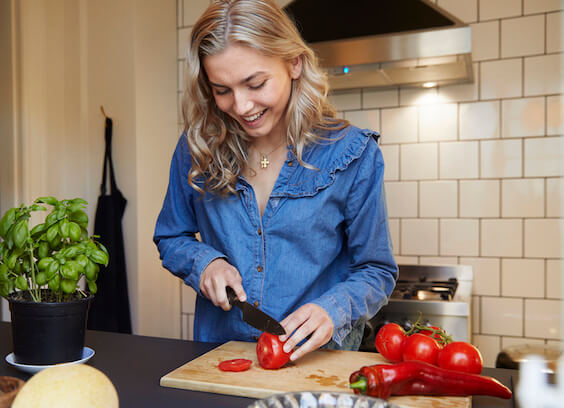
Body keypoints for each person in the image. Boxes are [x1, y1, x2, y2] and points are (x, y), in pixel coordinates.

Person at [153, 0, 397, 362]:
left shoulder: (353, 154)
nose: (241, 105)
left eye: (255, 83)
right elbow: (171, 236)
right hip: (220, 359)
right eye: (222, 90)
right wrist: (205, 262)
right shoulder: (196, 149)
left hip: (317, 364)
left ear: (294, 63)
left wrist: (334, 309)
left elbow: (376, 270)